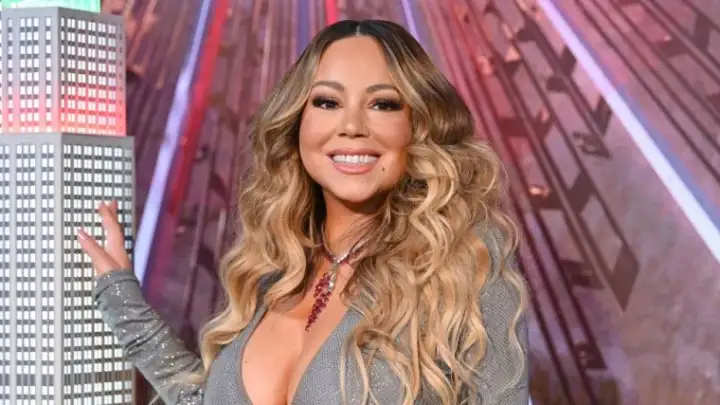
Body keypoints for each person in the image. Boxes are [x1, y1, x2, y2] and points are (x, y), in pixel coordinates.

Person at [79, 19, 529, 405]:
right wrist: (122, 299)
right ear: (297, 122)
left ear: (420, 125)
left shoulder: (463, 262)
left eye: (383, 104)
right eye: (327, 102)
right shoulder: (276, 275)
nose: (351, 126)